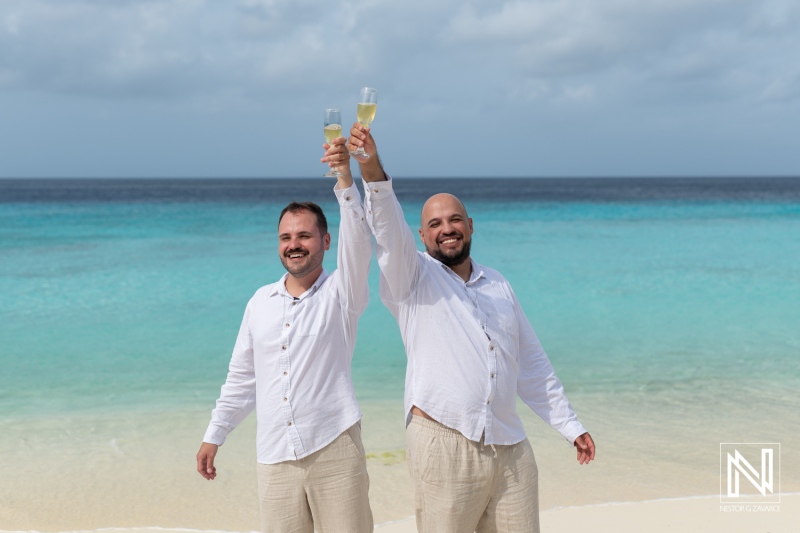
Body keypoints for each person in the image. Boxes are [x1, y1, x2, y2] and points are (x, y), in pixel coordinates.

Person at [347, 124, 596, 533]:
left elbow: (530, 361)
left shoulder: (498, 283)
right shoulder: (410, 278)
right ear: (423, 235)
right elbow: (388, 228)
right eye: (436, 223)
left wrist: (570, 425)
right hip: (444, 441)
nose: (448, 228)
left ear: (471, 225)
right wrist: (370, 166)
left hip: (510, 446)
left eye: (455, 219)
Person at [195, 137, 373, 533]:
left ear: (325, 242)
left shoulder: (344, 293)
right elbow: (242, 378)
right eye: (286, 238)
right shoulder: (259, 302)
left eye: (304, 236)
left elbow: (360, 242)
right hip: (274, 456)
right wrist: (215, 435)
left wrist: (344, 178)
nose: (294, 245)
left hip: (335, 448)